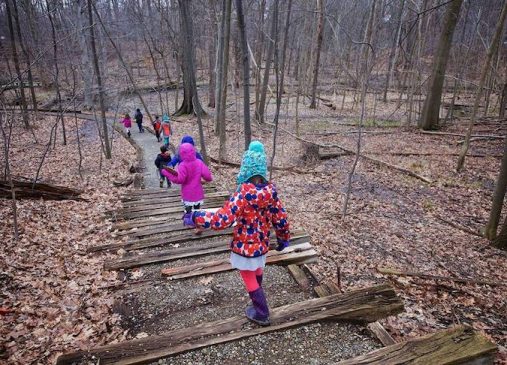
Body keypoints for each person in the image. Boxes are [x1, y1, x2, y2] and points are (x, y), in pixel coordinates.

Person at [183, 141, 290, 326]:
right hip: (261, 245)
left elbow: (220, 220)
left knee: (248, 277)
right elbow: (281, 219)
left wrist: (195, 217)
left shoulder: (241, 195)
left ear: (245, 170)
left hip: (244, 246)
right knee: (256, 269)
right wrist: (283, 238)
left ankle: (262, 312)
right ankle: (257, 302)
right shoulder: (271, 194)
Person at [161, 142, 213, 233]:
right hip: (198, 193)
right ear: (193, 151)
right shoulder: (199, 162)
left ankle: (190, 223)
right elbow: (208, 177)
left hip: (187, 194)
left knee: (188, 210)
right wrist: (203, 179)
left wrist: (167, 173)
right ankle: (198, 225)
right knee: (197, 210)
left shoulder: (183, 165)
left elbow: (180, 180)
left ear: (181, 153)